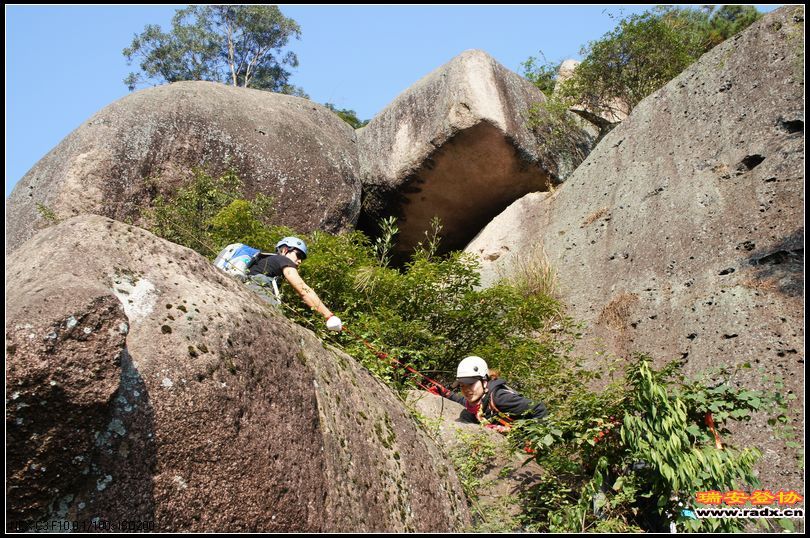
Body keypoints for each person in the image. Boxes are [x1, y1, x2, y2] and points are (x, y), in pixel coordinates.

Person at [248, 236, 342, 332]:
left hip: (250, 285)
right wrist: (329, 316)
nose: (300, 261)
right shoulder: (283, 260)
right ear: (285, 250)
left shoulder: (267, 260)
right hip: (256, 286)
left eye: (302, 259)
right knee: (275, 320)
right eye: (298, 255)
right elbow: (303, 290)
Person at [435, 356, 547, 431]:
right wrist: (445, 393)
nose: (466, 389)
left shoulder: (500, 398)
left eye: (470, 383)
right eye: (462, 385)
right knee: (466, 415)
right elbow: (463, 401)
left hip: (521, 440)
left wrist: (534, 439)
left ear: (484, 381)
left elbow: (539, 408)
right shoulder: (479, 398)